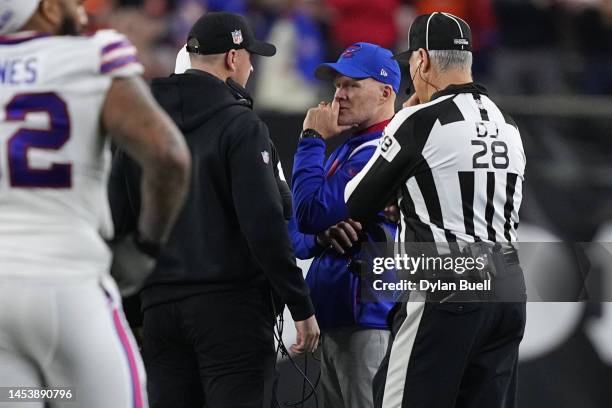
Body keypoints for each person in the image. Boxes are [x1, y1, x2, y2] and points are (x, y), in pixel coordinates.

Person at [109, 12, 320, 408]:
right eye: (250, 56)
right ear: (233, 58)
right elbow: (263, 223)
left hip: (160, 310)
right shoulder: (239, 125)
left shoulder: (140, 123)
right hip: (230, 310)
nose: (253, 66)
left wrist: (133, 310)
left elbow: (118, 217)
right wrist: (300, 304)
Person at [0, 1, 191, 408]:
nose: (84, 9)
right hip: (66, 285)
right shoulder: (93, 57)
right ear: (46, 7)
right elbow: (168, 156)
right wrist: (147, 246)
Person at [344, 12, 527, 408]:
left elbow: (355, 201)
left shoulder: (419, 120)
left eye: (411, 61)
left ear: (422, 60)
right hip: (509, 288)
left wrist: (399, 122)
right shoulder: (508, 124)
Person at [290, 42, 399, 408]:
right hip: (337, 315)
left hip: (369, 316)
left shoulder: (384, 150)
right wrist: (322, 233)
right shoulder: (348, 149)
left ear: (386, 92)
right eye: (337, 85)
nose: (339, 95)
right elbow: (299, 236)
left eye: (352, 84)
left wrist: (310, 140)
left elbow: (306, 212)